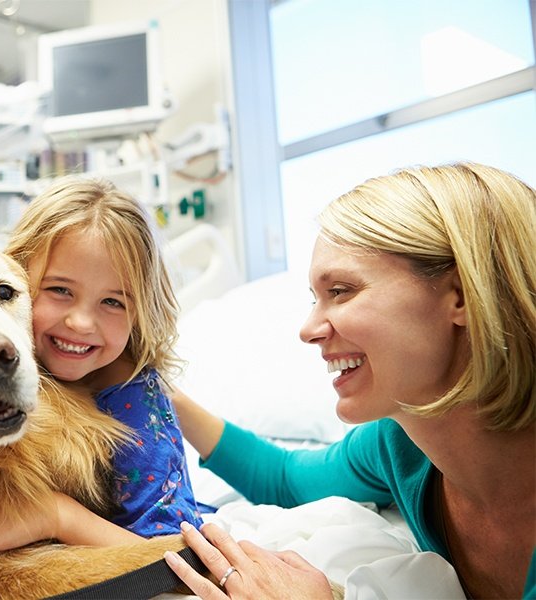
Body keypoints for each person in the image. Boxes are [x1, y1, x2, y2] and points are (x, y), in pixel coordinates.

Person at [163, 162, 535, 599]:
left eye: (341, 291)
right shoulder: (401, 448)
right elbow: (285, 479)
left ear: (461, 296)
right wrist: (164, 394)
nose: (308, 328)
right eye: (315, 299)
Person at [0, 176, 204, 570]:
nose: (80, 322)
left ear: (140, 312)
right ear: (16, 283)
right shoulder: (4, 365)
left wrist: (54, 515)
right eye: (60, 290)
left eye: (113, 301)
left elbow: (178, 559)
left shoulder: (135, 403)